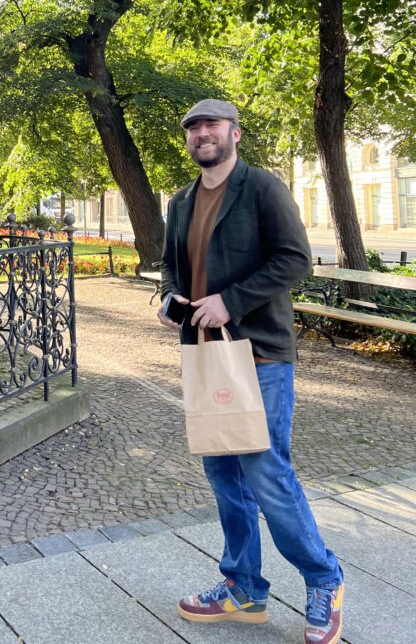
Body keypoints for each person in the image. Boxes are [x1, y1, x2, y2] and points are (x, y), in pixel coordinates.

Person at [158, 99, 344, 644]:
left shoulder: (262, 188)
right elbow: (171, 264)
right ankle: (243, 588)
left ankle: (324, 579)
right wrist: (168, 298)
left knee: (266, 473)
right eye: (193, 127)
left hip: (260, 355)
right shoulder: (181, 201)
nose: (202, 133)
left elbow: (294, 258)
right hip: (207, 355)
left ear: (234, 133)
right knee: (223, 476)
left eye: (212, 124)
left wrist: (230, 301)